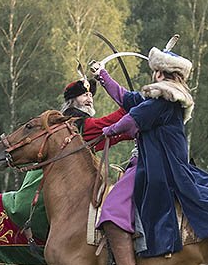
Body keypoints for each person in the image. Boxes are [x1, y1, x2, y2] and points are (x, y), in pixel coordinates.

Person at [91, 39, 208, 265]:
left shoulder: (163, 101)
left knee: (112, 208)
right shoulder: (160, 99)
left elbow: (130, 122)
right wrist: (102, 76)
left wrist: (107, 131)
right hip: (156, 166)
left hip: (158, 170)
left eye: (154, 70)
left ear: (159, 72)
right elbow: (126, 98)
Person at [8, 77, 133, 239]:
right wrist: (131, 104)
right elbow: (110, 123)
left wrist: (132, 131)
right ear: (72, 100)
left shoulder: (77, 122)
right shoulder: (78, 122)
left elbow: (106, 138)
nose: (89, 99)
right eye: (84, 95)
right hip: (57, 179)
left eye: (90, 95)